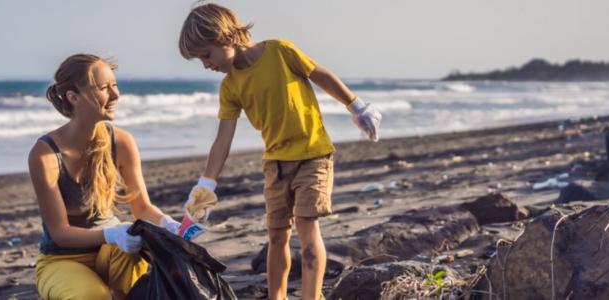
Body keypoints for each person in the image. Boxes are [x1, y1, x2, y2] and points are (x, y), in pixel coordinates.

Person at [177, 3, 382, 300]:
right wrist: (206, 184)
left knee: (307, 228)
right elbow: (223, 138)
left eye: (206, 54)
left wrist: (356, 105)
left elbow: (320, 74)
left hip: (314, 157)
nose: (205, 64)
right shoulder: (230, 86)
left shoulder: (280, 51)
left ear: (224, 35)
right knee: (276, 236)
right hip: (275, 165)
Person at [28, 53, 189, 300]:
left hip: (113, 251)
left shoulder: (121, 141)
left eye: (115, 85)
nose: (116, 95)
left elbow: (142, 207)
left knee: (139, 271)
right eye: (104, 88)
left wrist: (169, 224)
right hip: (61, 260)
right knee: (93, 296)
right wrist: (111, 234)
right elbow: (60, 232)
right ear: (73, 97)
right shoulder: (45, 154)